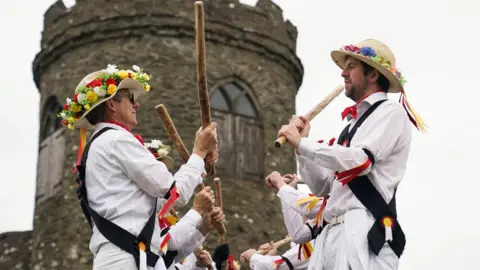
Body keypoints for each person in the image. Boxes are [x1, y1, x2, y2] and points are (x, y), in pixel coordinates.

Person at [276, 39, 426, 269]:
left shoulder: (390, 112)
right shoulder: (350, 127)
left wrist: (303, 144)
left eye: (351, 66)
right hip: (331, 234)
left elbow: (361, 160)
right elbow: (322, 187)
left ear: (373, 75)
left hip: (361, 229)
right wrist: (301, 148)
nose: (343, 73)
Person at [58, 64, 219, 270]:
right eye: (130, 98)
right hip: (130, 260)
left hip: (125, 258)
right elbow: (173, 192)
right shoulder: (117, 140)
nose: (137, 105)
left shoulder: (101, 145)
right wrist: (198, 152)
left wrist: (201, 160)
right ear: (111, 105)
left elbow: (153, 204)